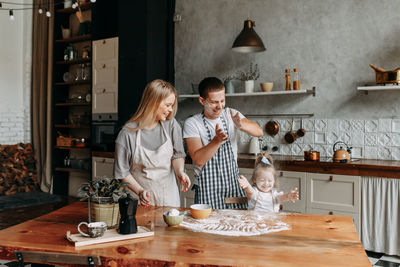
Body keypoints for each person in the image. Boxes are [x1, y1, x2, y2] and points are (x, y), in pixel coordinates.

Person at [183, 77, 263, 209]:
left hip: (232, 188)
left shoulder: (230, 114)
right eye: (214, 102)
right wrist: (216, 141)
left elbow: (259, 132)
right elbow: (198, 159)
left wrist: (241, 125)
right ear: (202, 101)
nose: (219, 106)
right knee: (206, 228)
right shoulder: (192, 123)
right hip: (206, 191)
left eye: (222, 100)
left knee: (235, 226)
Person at [114, 79, 191, 207]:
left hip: (169, 199)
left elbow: (178, 155)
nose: (170, 110)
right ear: (153, 103)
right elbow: (122, 173)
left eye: (172, 105)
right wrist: (140, 191)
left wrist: (180, 172)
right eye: (167, 105)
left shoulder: (171, 125)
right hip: (140, 201)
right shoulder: (127, 134)